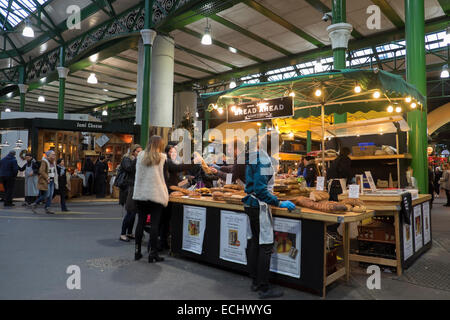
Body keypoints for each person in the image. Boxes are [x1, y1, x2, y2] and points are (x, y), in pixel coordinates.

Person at [242, 133, 296, 299]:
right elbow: (260, 190)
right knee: (265, 245)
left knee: (253, 242)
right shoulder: (265, 160)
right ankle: (264, 288)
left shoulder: (254, 156)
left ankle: (255, 281)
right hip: (260, 206)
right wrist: (279, 203)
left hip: (250, 205)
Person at [133, 136, 169, 263]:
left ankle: (137, 251)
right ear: (160, 145)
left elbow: (136, 173)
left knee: (141, 222)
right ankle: (153, 254)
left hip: (141, 194)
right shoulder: (162, 158)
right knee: (155, 224)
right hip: (156, 194)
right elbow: (165, 178)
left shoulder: (140, 156)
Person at [159, 145, 199, 251]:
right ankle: (161, 243)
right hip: (167, 194)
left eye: (175, 152)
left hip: (171, 192)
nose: (174, 154)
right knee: (164, 220)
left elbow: (177, 178)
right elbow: (178, 169)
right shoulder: (167, 162)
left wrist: (186, 180)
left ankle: (164, 242)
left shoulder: (171, 163)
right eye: (172, 152)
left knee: (167, 219)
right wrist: (193, 161)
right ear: (167, 153)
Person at [119, 144, 142, 242]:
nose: (140, 153)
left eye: (141, 151)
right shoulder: (127, 159)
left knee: (133, 212)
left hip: (135, 187)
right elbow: (129, 169)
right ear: (133, 152)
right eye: (138, 151)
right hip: (128, 188)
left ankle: (129, 232)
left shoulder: (137, 160)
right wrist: (137, 159)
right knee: (130, 212)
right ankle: (123, 233)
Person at [31, 150, 57, 214]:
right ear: (48, 156)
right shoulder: (44, 161)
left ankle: (47, 208)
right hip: (46, 181)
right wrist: (47, 177)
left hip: (52, 180)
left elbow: (54, 171)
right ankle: (35, 203)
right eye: (52, 154)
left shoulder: (53, 162)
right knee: (46, 195)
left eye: (54, 155)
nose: (54, 156)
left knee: (50, 195)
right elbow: (41, 171)